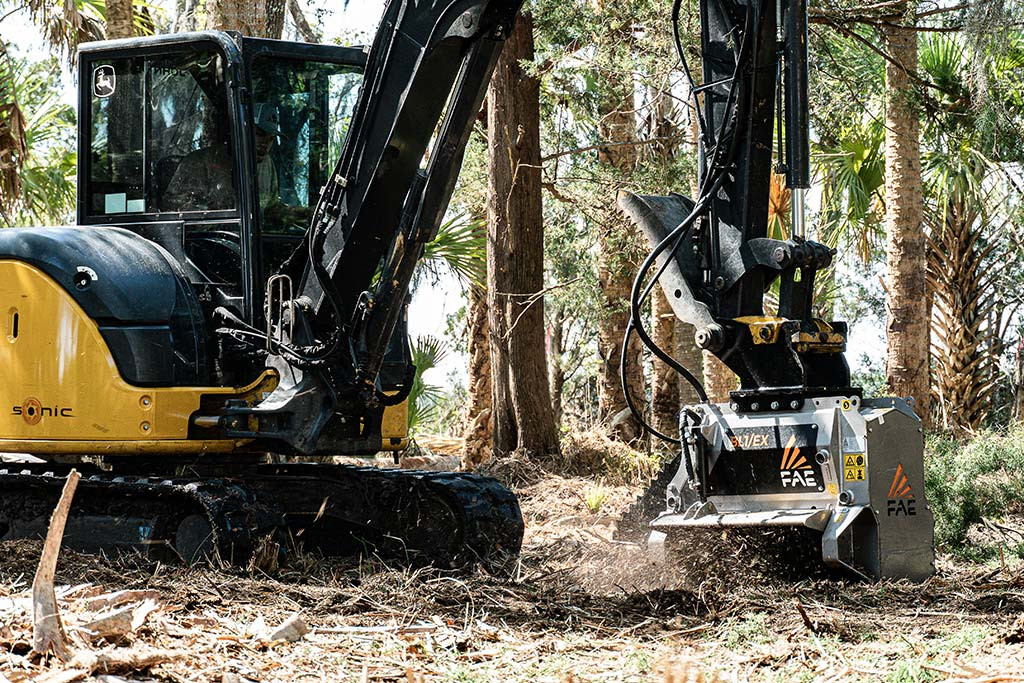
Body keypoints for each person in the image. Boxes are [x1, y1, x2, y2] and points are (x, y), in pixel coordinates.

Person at [164, 103, 310, 229]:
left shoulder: (266, 165)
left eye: (271, 138)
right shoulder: (200, 162)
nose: (266, 143)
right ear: (241, 131)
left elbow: (270, 210)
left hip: (250, 247)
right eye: (259, 134)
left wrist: (304, 214)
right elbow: (174, 210)